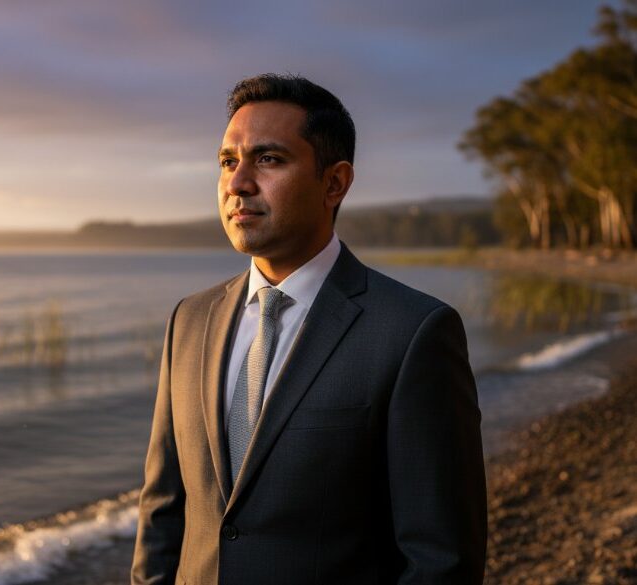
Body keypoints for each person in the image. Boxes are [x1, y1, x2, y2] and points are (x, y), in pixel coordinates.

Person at [131, 73, 487, 585]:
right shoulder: (189, 319)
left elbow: (441, 561)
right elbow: (162, 509)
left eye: (268, 160)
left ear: (335, 182)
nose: (237, 184)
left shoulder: (414, 333)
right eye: (228, 162)